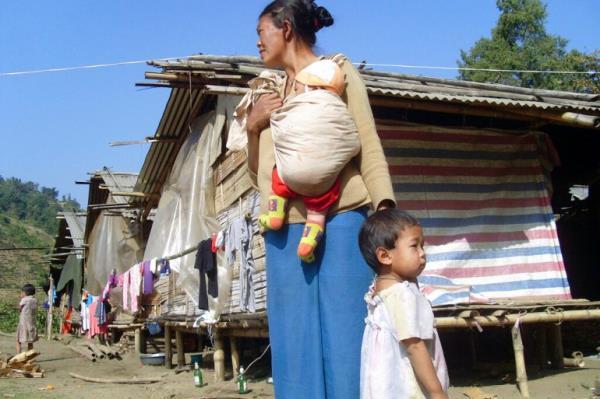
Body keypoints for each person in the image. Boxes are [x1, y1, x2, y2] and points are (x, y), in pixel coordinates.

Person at [246, 1, 395, 397]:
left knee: (347, 332)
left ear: (287, 28)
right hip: (283, 230)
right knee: (293, 339)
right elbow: (257, 175)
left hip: (343, 218)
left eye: (262, 32)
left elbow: (368, 146)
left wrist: (384, 211)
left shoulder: (338, 73)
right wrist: (252, 127)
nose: (257, 42)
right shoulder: (265, 92)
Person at [259, 58, 361, 262]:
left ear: (312, 86)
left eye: (299, 86)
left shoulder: (300, 103)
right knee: (318, 211)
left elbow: (282, 124)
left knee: (278, 173)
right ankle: (308, 243)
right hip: (324, 182)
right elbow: (353, 142)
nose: (296, 90)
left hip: (291, 174)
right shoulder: (339, 108)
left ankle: (275, 215)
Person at [358, 209, 449, 399]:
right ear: (385, 256)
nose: (423, 254)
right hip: (407, 384)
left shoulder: (381, 287)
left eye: (423, 246)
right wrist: (436, 391)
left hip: (385, 383)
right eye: (414, 246)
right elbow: (414, 346)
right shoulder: (401, 295)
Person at [16, 283, 38, 353]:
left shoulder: (24, 299)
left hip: (23, 323)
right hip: (31, 323)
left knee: (18, 340)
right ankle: (29, 358)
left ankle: (18, 357)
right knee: (30, 342)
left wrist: (21, 299)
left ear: (25, 292)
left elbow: (20, 309)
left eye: (22, 292)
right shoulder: (35, 300)